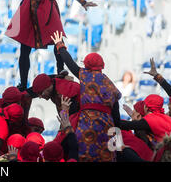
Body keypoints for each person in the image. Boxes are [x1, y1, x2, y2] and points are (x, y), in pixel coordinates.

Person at [51, 31, 122, 162]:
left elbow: (70, 63)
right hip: (107, 124)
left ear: (87, 65)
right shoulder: (110, 85)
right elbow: (116, 116)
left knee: (84, 154)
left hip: (87, 123)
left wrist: (59, 45)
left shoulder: (85, 75)